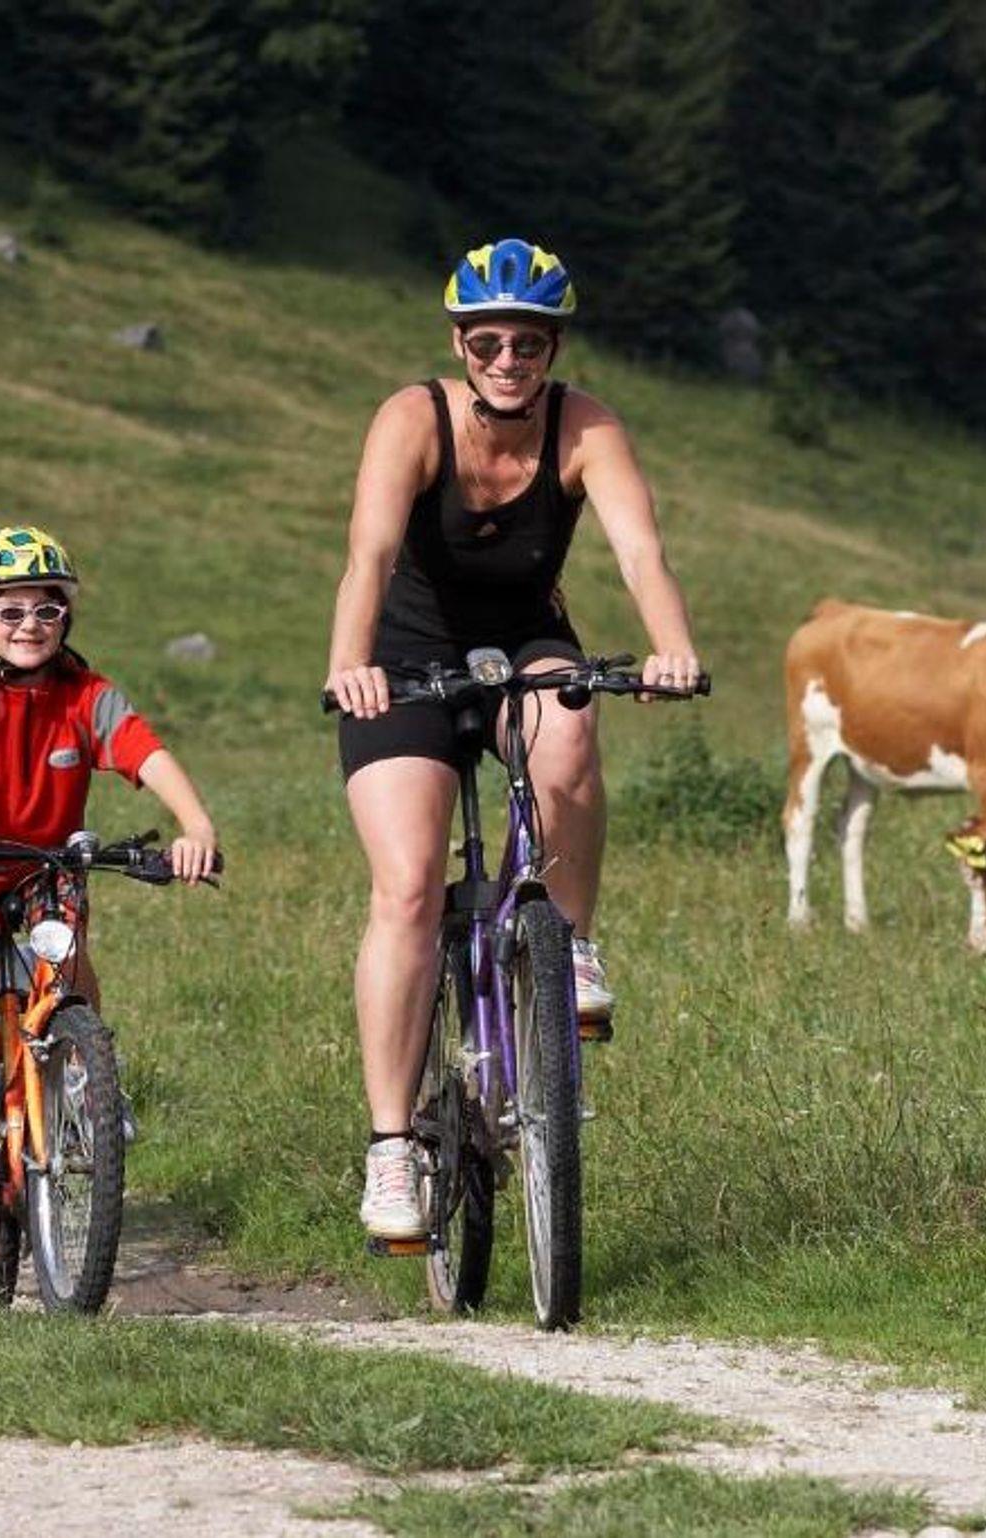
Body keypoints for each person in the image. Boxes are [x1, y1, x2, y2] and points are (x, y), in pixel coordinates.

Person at [323, 239, 702, 1241]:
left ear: (551, 349)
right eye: (487, 342)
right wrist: (350, 662)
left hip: (524, 638)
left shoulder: (586, 427)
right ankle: (390, 1148)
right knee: (408, 886)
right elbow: (368, 555)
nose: (506, 360)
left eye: (527, 344)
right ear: (459, 344)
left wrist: (670, 646)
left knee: (568, 728)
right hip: (403, 655)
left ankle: (567, 943)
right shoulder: (413, 418)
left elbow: (640, 552)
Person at [0, 526, 219, 1257]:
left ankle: (86, 1083)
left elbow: (146, 753)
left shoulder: (88, 695)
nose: (29, 626)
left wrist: (195, 825)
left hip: (47, 870)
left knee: (68, 973)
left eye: (46, 609)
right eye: (10, 611)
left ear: (66, 616)